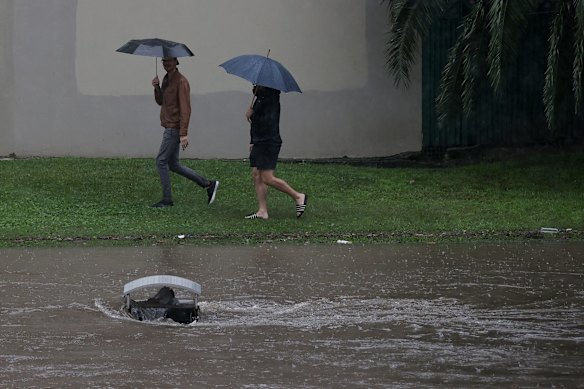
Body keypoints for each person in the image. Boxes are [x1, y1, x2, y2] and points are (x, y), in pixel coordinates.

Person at [150, 57, 218, 208]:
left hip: (174, 128)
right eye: (164, 61)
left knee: (161, 161)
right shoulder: (167, 79)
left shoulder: (181, 82)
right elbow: (161, 101)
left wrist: (183, 133)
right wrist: (157, 87)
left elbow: (186, 109)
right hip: (169, 126)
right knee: (173, 164)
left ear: (176, 62)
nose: (166, 63)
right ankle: (208, 184)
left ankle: (167, 200)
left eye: (169, 61)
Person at [244, 85, 307, 220]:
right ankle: (262, 211)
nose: (254, 84)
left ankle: (298, 196)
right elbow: (256, 124)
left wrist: (252, 114)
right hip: (259, 141)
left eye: (258, 82)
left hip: (268, 141)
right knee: (256, 175)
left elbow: (268, 121)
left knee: (267, 178)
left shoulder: (271, 99)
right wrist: (252, 141)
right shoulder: (259, 97)